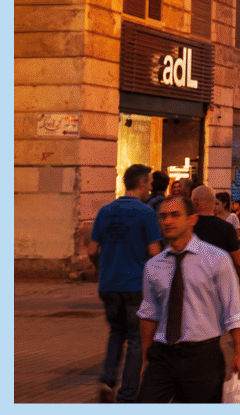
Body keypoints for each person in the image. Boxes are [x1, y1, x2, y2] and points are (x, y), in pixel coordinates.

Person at [136, 196, 240, 403]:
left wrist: (239, 354)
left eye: (175, 215)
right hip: (162, 355)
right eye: (163, 216)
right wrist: (146, 358)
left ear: (192, 219)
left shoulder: (216, 259)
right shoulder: (154, 265)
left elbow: (234, 311)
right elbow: (149, 314)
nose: (168, 221)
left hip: (202, 356)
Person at [87, 164, 162, 403]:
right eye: (149, 183)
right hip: (135, 285)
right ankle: (128, 394)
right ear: (141, 184)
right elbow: (154, 251)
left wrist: (102, 267)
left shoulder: (105, 211)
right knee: (137, 340)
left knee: (116, 332)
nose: (150, 187)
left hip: (108, 284)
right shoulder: (146, 213)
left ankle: (107, 380)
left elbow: (91, 249)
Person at [190, 185, 240, 287]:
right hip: (219, 283)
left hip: (192, 282)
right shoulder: (226, 227)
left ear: (194, 202)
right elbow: (239, 262)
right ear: (213, 202)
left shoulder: (187, 226)